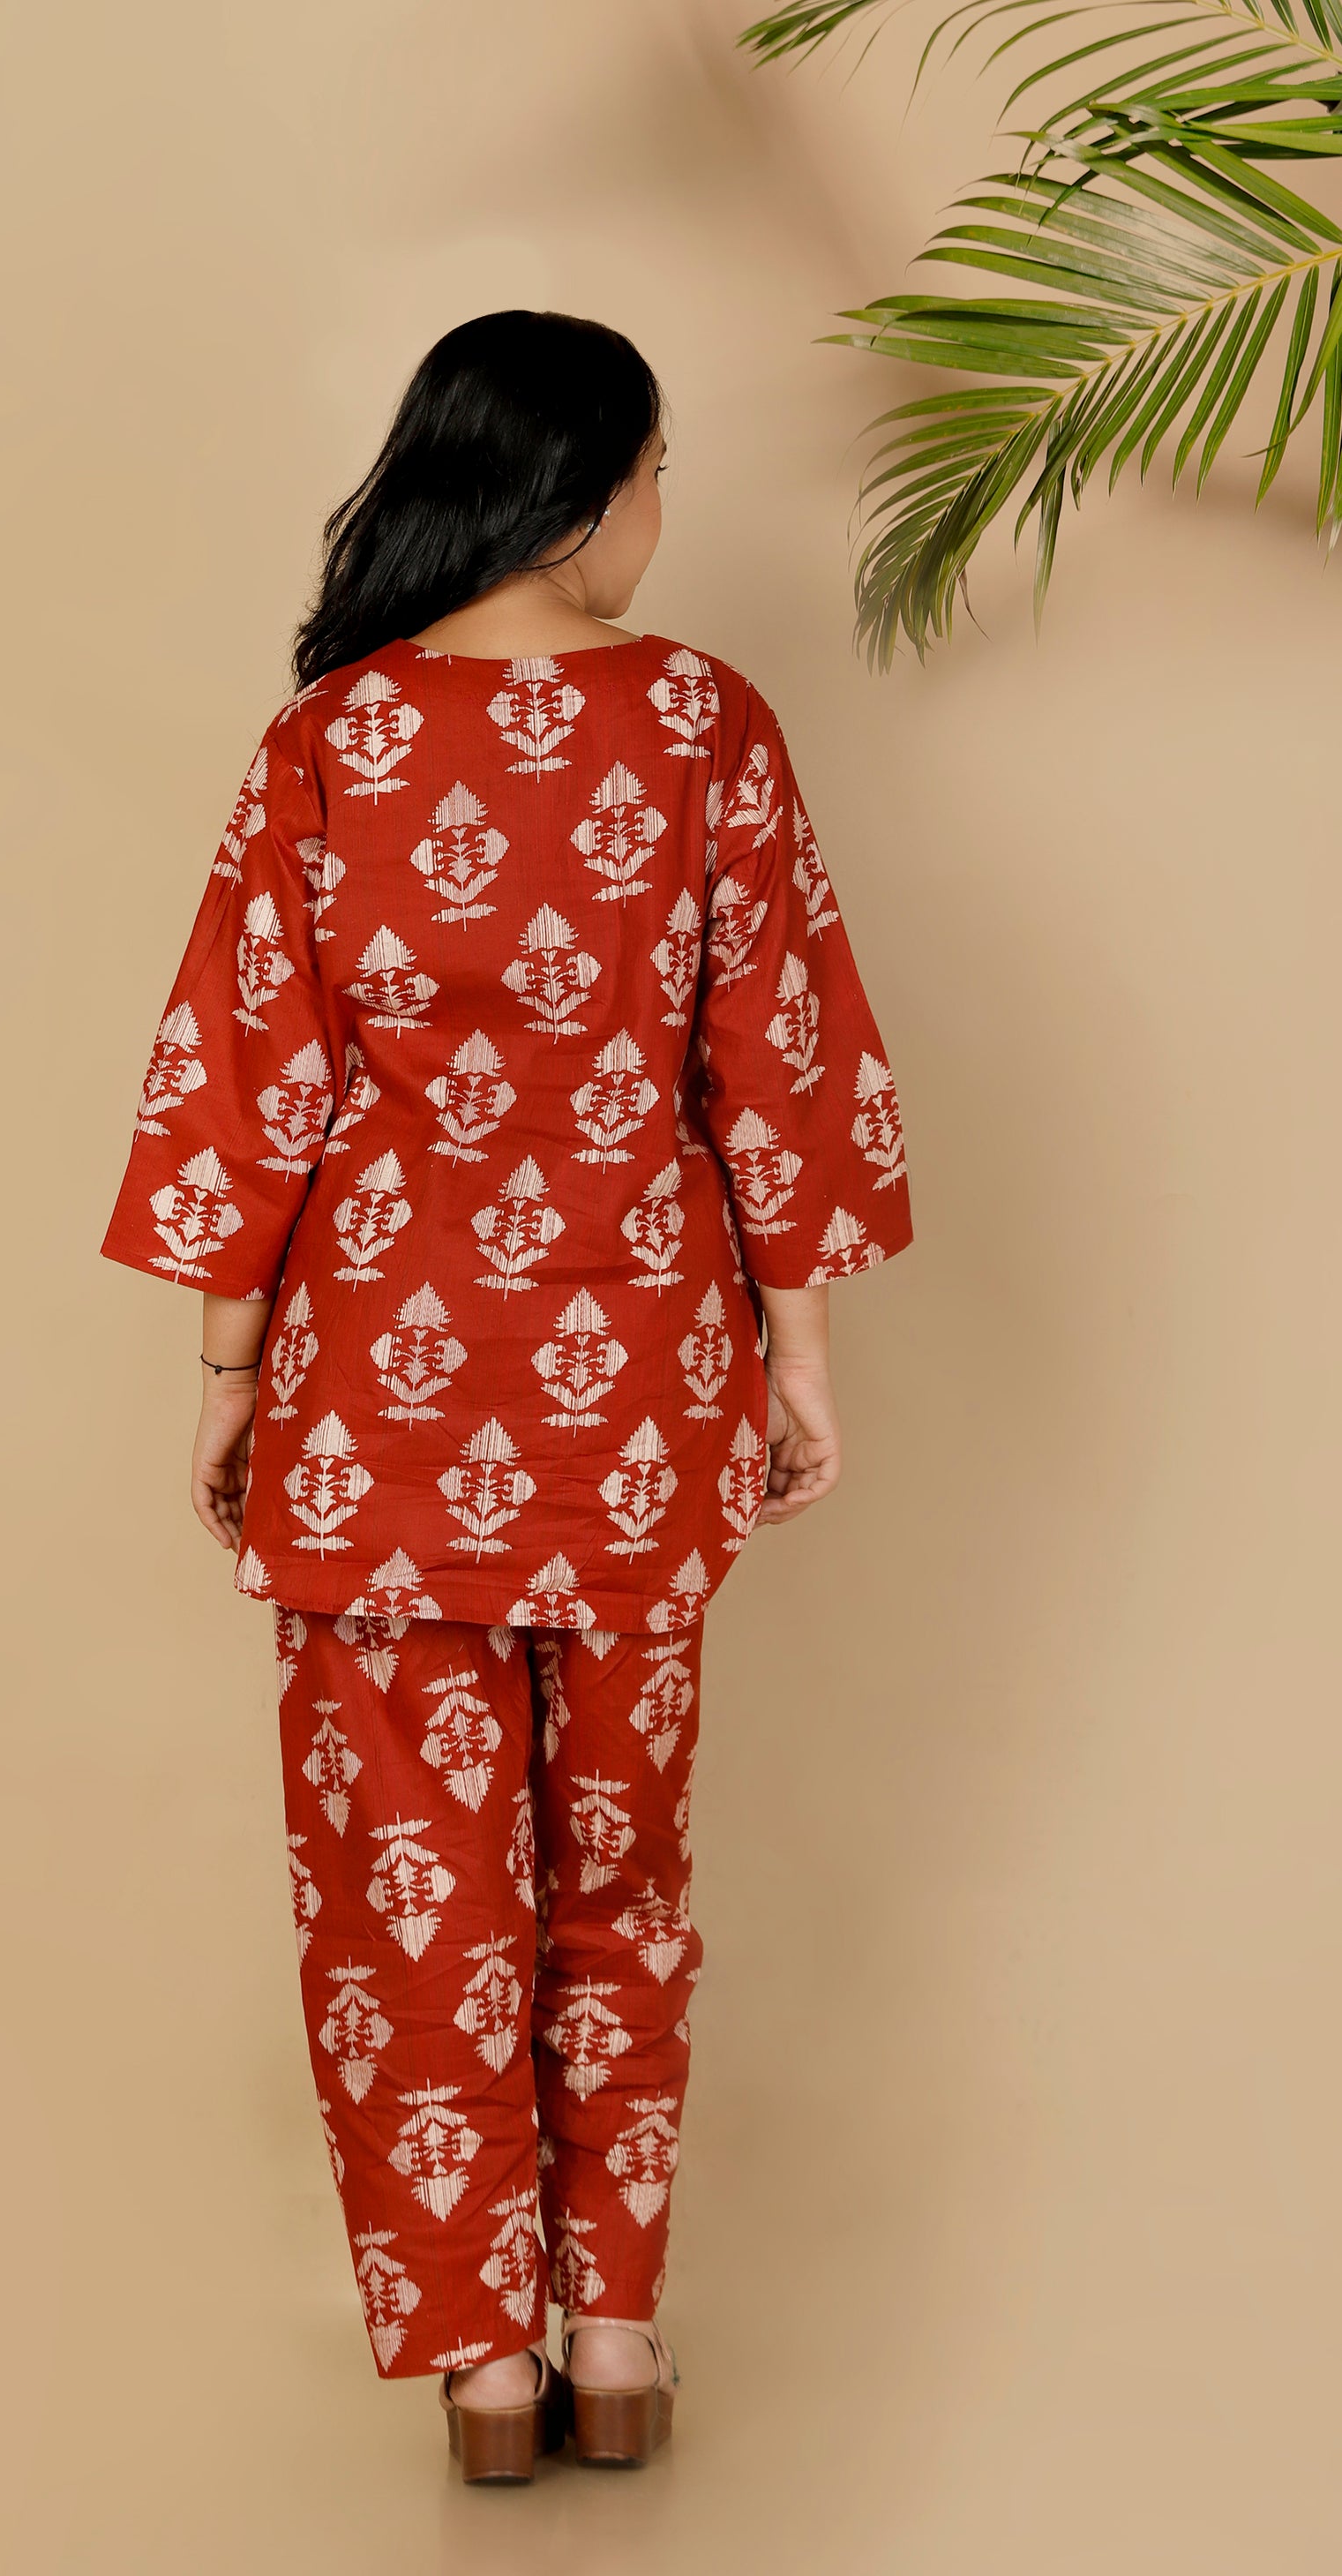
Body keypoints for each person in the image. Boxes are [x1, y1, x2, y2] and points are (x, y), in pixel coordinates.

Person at [100, 309, 912, 2482]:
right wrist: (796, 1356)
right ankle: (611, 2324)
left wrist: (226, 1376)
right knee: (620, 1865)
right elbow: (776, 1057)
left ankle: (480, 2360)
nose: (660, 516)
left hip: (372, 1399)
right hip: (635, 1397)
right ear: (581, 490)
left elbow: (249, 1081)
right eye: (655, 475)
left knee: (409, 1889)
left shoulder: (330, 743)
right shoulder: (703, 726)